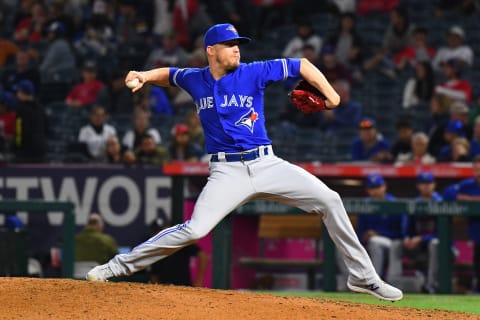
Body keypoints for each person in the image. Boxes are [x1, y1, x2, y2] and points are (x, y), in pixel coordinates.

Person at [86, 23, 402, 301]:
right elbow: (168, 75)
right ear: (211, 51)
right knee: (195, 230)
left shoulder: (253, 71)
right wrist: (143, 75)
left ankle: (363, 277)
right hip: (227, 171)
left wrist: (332, 97)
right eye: (230, 45)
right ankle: (115, 267)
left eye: (239, 45)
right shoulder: (195, 79)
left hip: (267, 164)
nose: (237, 50)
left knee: (331, 200)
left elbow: (302, 64)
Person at [389, 172, 442, 293]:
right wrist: (407, 238)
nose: (426, 186)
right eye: (423, 184)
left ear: (434, 185)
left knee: (435, 243)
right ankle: (393, 284)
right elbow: (407, 228)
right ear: (418, 186)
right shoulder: (415, 203)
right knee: (396, 244)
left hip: (441, 247)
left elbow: (443, 233)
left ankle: (431, 285)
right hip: (418, 246)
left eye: (429, 183)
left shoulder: (441, 202)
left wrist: (422, 238)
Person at [356, 174, 407, 281]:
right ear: (367, 190)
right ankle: (354, 283)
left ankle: (375, 281)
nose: (375, 191)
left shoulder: (394, 203)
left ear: (384, 186)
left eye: (377, 187)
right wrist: (364, 236)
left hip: (391, 242)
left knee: (375, 241)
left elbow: (400, 233)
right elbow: (360, 230)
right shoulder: (364, 205)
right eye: (372, 188)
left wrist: (379, 234)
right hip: (369, 243)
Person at [441, 156, 480, 293]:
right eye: (476, 169)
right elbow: (448, 192)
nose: (478, 172)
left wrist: (469, 199)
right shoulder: (468, 185)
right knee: (478, 262)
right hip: (476, 233)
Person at [147, 216, 208, 286]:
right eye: (157, 231)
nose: (160, 234)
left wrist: (199, 281)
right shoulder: (156, 248)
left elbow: (202, 256)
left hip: (183, 287)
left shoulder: (180, 240)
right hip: (164, 289)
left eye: (163, 231)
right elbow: (154, 274)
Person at [13, 79, 46, 163]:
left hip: (24, 153)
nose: (17, 94)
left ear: (23, 93)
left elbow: (19, 131)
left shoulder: (20, 109)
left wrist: (16, 147)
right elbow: (46, 128)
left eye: (19, 91)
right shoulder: (40, 108)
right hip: (40, 151)